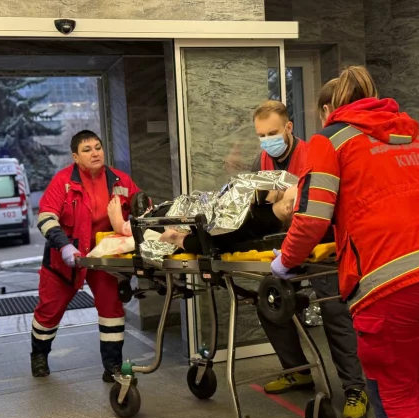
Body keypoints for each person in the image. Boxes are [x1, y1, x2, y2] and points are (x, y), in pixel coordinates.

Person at [271, 65, 419, 418]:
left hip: (394, 281)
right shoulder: (417, 136)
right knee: (418, 367)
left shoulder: (331, 139)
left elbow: (312, 218)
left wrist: (285, 261)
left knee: (390, 385)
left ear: (328, 110)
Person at [251, 98, 368, 418]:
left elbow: (318, 209)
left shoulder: (313, 155)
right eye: (261, 135)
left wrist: (284, 200)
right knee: (269, 301)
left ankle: (355, 389)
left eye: (272, 133)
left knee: (334, 309)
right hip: (288, 242)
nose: (267, 141)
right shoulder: (263, 159)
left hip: (323, 241)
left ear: (288, 128)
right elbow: (262, 203)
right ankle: (298, 370)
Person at [31, 130, 140, 382]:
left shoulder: (120, 180)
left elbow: (142, 206)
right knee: (49, 311)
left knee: (112, 309)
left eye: (98, 147)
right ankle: (39, 355)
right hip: (65, 259)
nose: (95, 153)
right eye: (87, 150)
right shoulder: (63, 182)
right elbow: (46, 217)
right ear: (75, 157)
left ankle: (112, 366)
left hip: (103, 259)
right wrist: (64, 246)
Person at [108, 186, 297, 254]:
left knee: (158, 221)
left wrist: (176, 239)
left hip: (190, 224)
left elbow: (213, 243)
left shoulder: (259, 222)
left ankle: (126, 225)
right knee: (180, 206)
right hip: (204, 208)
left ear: (289, 208)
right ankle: (149, 213)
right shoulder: (266, 210)